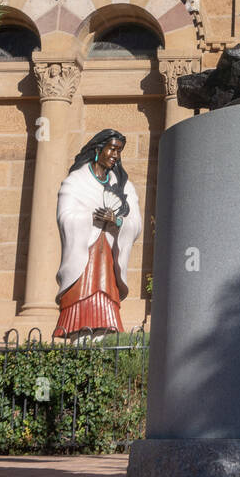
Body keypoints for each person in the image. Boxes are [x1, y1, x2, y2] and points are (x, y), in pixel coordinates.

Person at [53, 129, 142, 339]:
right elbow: (65, 216)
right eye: (112, 149)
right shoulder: (76, 181)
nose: (115, 155)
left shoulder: (123, 186)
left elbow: (135, 223)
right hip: (85, 257)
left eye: (119, 151)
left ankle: (102, 339)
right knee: (81, 303)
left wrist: (116, 220)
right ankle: (79, 340)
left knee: (106, 300)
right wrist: (91, 218)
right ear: (98, 149)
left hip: (108, 258)